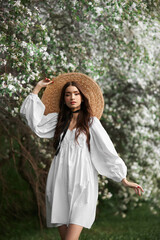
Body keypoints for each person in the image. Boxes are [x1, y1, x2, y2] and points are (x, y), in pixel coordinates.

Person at [20, 72, 144, 240]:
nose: (72, 97)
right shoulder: (58, 120)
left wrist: (123, 179)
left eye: (76, 94)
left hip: (82, 181)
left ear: (83, 97)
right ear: (63, 98)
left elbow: (107, 152)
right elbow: (34, 122)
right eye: (68, 94)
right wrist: (37, 88)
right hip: (59, 179)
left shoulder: (91, 122)